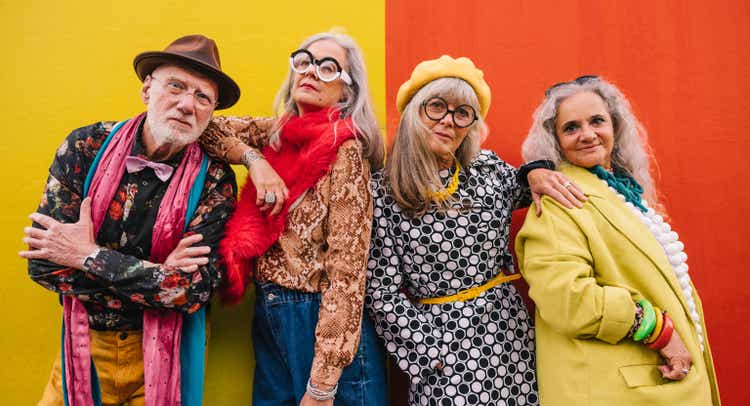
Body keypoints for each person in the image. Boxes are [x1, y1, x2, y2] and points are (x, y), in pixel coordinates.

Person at [20, 35, 238, 406]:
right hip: (84, 345)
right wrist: (158, 277)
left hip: (166, 355)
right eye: (176, 86)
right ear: (146, 89)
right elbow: (43, 265)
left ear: (212, 111)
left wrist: (86, 255)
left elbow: (189, 292)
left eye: (203, 97)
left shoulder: (215, 180)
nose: (187, 104)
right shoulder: (84, 147)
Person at [363, 55, 586, 406]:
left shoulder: (487, 168)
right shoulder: (384, 190)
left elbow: (530, 186)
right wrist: (429, 354)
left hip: (508, 331)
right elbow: (382, 290)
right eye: (436, 107)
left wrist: (536, 170)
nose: (448, 121)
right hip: (443, 348)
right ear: (414, 113)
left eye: (462, 112)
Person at [198, 31, 387, 405]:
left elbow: (346, 272)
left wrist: (323, 382)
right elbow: (202, 126)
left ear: (347, 92)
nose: (311, 72)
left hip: (318, 322)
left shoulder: (345, 152)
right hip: (270, 313)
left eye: (328, 68)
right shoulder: (277, 134)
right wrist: (255, 159)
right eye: (304, 61)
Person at [515, 76, 720, 405]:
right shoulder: (558, 200)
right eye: (571, 127)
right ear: (554, 140)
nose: (587, 134)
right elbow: (566, 298)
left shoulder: (623, 193)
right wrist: (657, 328)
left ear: (615, 125)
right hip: (615, 392)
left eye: (597, 121)